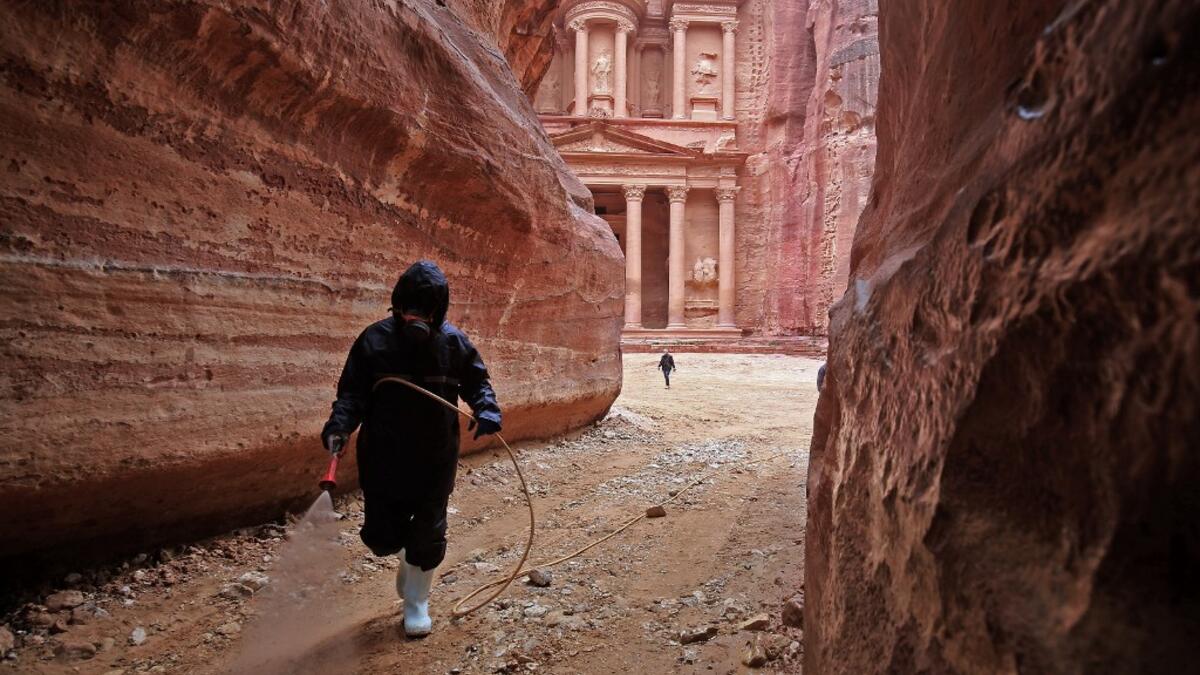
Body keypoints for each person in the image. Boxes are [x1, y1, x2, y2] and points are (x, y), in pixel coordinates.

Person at [321, 260, 501, 638]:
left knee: (429, 530)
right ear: (398, 303)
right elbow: (351, 394)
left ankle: (417, 600)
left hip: (435, 455)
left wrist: (486, 409)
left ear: (439, 310)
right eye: (411, 306)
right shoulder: (373, 340)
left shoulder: (454, 342)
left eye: (427, 307)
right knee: (381, 537)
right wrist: (339, 428)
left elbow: (477, 382)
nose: (417, 316)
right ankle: (408, 557)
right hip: (382, 455)